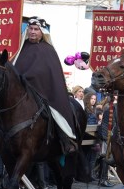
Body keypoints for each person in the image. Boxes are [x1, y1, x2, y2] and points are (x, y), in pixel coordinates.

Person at [12, 16, 78, 154]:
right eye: (30, 28)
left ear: (42, 32)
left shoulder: (48, 50)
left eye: (36, 29)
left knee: (55, 111)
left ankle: (65, 139)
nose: (33, 32)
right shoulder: (20, 49)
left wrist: (29, 76)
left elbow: (46, 73)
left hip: (43, 92)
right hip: (22, 92)